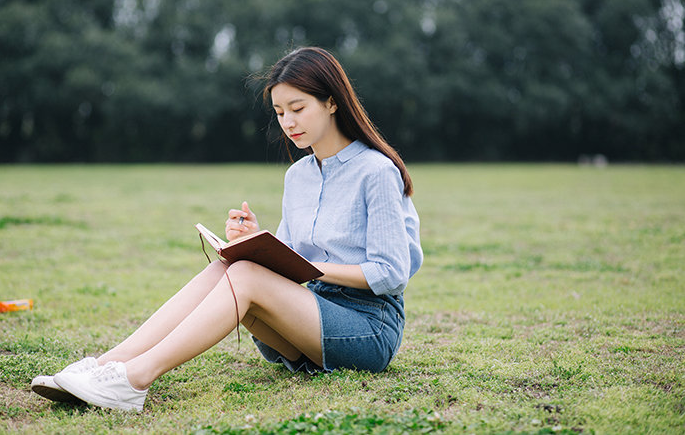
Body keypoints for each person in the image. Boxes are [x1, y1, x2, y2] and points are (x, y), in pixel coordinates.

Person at [31, 46, 423, 412]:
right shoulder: (299, 176)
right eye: (280, 112)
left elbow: (390, 274)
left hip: (368, 330)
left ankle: (133, 381)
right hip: (306, 324)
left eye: (298, 108)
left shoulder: (376, 171)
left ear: (332, 102)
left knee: (247, 275)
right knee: (226, 266)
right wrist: (257, 241)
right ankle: (104, 366)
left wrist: (310, 268)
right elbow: (290, 259)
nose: (288, 122)